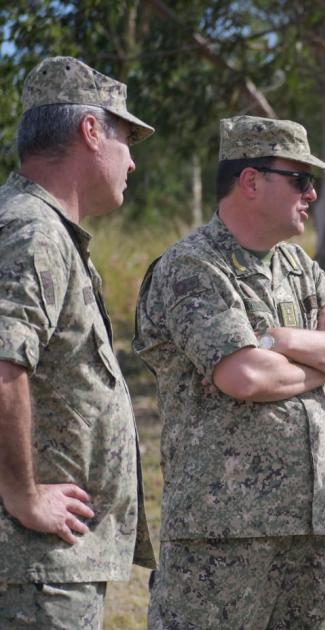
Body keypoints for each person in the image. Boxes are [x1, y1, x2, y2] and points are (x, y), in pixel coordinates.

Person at [135, 115, 325, 628]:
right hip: (220, 535)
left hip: (312, 527)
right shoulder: (192, 267)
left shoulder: (297, 266)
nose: (312, 194)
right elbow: (244, 377)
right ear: (250, 181)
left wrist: (285, 341)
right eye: (300, 179)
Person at [0, 56, 156, 628]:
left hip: (48, 564)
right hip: (34, 567)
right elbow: (2, 360)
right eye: (125, 137)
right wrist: (24, 495)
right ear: (90, 131)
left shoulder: (39, 228)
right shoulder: (33, 230)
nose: (132, 160)